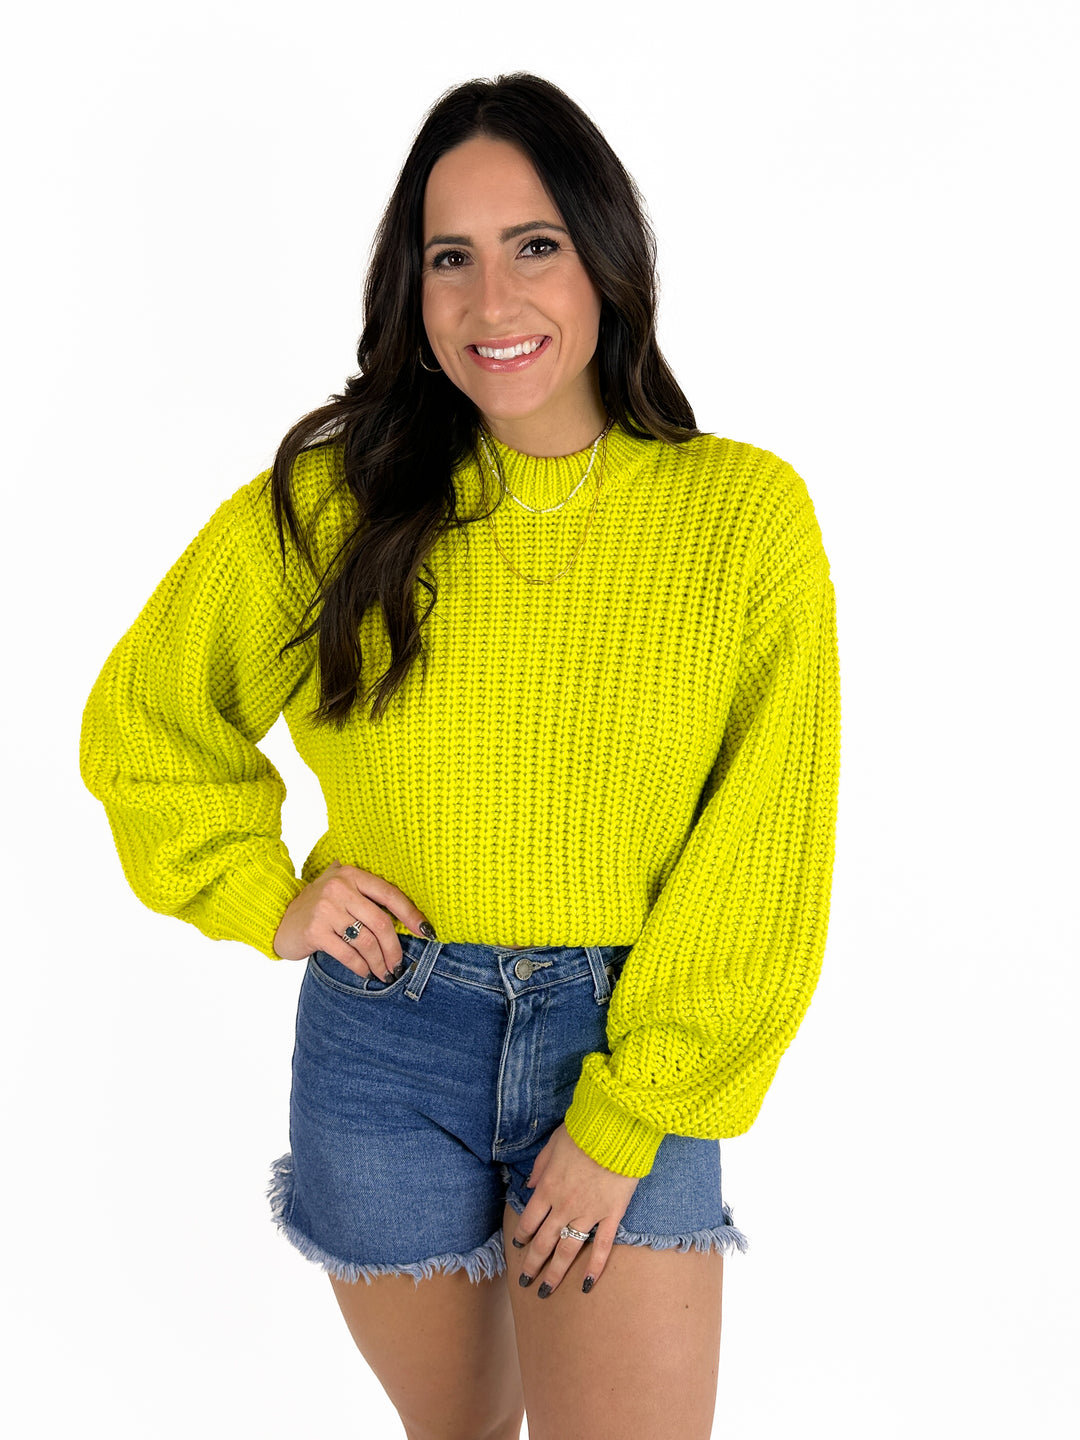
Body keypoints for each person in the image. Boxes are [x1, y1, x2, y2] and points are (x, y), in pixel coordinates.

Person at [79, 71, 841, 1440]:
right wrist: (267, 896)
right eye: (451, 258)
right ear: (412, 287)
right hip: (387, 1038)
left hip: (628, 1036)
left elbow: (763, 847)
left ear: (605, 257)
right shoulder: (335, 503)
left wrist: (625, 1116)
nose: (494, 301)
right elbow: (146, 716)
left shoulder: (744, 518)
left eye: (534, 246)